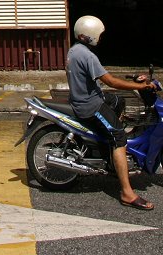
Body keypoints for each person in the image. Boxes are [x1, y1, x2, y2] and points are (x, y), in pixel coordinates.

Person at [66, 14, 156, 211]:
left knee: (118, 101)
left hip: (85, 98)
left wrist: (133, 81)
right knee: (119, 136)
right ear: (88, 35)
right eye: (98, 34)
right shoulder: (88, 56)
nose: (100, 37)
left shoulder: (75, 50)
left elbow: (102, 78)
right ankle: (127, 192)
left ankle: (109, 149)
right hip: (90, 105)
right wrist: (138, 86)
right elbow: (111, 81)